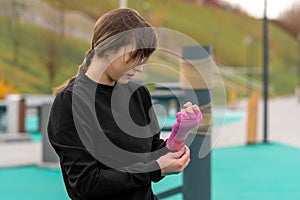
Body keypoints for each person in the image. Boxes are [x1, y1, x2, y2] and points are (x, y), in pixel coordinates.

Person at [47, 8, 200, 200]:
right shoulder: (70, 103)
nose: (140, 68)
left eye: (144, 60)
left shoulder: (138, 93)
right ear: (107, 47)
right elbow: (87, 185)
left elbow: (153, 155)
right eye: (134, 58)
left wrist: (180, 133)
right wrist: (153, 168)